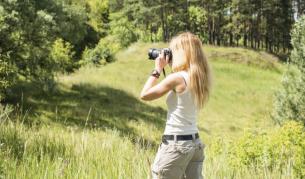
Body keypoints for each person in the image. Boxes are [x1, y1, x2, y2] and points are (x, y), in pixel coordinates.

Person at [140, 32, 212, 179]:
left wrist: (158, 69)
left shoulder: (177, 78)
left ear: (181, 53)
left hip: (176, 145)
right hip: (194, 144)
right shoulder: (199, 77)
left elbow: (145, 95)